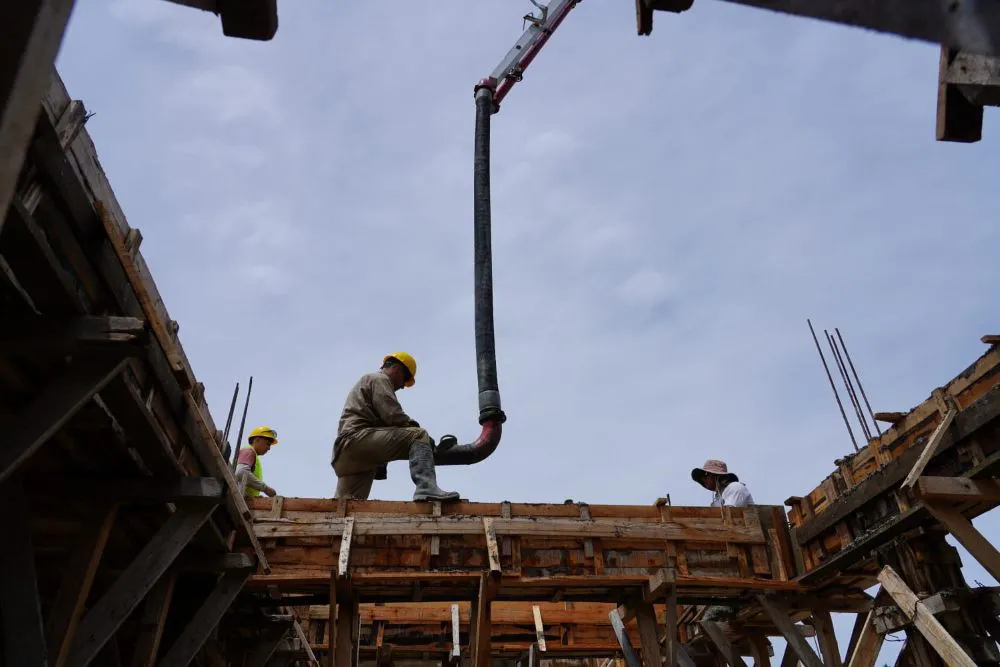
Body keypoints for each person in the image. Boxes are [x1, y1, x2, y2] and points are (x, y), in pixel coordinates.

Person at [332, 352, 459, 502]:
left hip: (346, 457)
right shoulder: (379, 379)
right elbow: (392, 414)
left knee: (347, 506)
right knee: (418, 435)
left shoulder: (368, 382)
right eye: (404, 380)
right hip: (356, 441)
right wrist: (423, 438)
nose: (403, 386)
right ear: (397, 370)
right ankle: (426, 488)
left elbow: (385, 425)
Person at [691, 459, 754, 622]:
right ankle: (722, 599)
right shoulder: (717, 498)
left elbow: (729, 518)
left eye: (704, 477)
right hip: (729, 542)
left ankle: (727, 600)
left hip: (746, 543)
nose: (703, 482)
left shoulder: (735, 489)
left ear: (713, 476)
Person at [236, 426, 278, 498]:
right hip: (239, 498)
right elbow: (241, 472)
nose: (269, 448)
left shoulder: (253, 456)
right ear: (257, 440)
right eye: (267, 444)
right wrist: (265, 489)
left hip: (245, 499)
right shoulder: (249, 451)